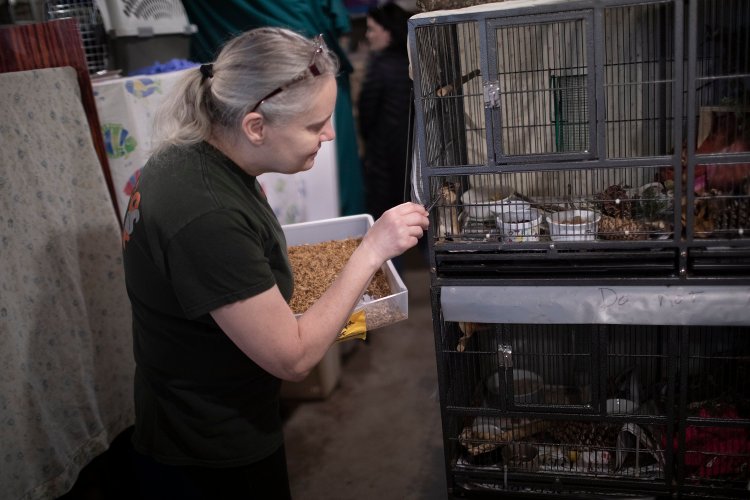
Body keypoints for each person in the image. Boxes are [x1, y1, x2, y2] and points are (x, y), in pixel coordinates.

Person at [120, 27, 428, 499]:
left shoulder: (198, 155)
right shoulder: (207, 214)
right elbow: (294, 356)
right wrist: (370, 250)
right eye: (313, 125)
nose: (328, 135)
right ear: (255, 126)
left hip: (199, 405)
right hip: (208, 444)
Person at [358, 2, 413, 224]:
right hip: (412, 159)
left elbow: (366, 116)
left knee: (384, 222)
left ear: (388, 32)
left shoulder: (379, 67)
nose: (368, 36)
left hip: (384, 162)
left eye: (372, 29)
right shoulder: (412, 63)